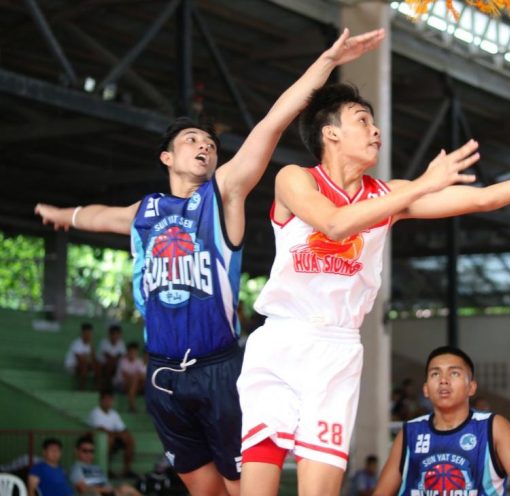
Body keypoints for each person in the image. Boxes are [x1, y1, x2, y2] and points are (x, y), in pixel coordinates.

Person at [35, 27, 384, 496]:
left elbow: (271, 124)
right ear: (166, 156)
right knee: (204, 492)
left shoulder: (222, 194)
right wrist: (63, 214)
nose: (205, 147)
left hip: (218, 369)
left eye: (210, 144)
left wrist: (326, 62)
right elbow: (100, 216)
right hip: (162, 374)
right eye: (193, 141)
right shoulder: (147, 212)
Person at [236, 82, 510, 496]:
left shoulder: (388, 195)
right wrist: (423, 183)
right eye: (363, 121)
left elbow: (484, 199)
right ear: (330, 133)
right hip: (283, 339)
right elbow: (333, 223)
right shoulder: (295, 179)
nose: (375, 131)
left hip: (338, 350)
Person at [373, 346, 510, 495]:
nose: (444, 380)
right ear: (426, 389)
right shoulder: (410, 432)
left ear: (471, 387)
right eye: (435, 374)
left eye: (454, 373)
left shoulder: (493, 427)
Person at [70, 435, 141, 496]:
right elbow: (83, 489)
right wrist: (104, 490)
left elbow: (108, 486)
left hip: (107, 494)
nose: (88, 454)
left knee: (126, 488)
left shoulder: (96, 468)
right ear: (77, 451)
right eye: (85, 451)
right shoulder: (77, 468)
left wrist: (114, 491)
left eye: (91, 451)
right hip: (93, 494)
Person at [87, 390, 137, 478]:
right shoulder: (95, 412)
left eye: (110, 400)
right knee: (108, 439)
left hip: (113, 437)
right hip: (96, 440)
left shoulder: (114, 414)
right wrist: (115, 434)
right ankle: (106, 469)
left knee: (129, 439)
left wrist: (120, 434)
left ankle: (127, 470)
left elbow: (123, 429)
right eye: (106, 400)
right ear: (101, 400)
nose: (108, 402)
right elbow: (101, 429)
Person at [65, 322, 100, 390]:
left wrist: (92, 351)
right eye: (86, 333)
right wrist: (90, 361)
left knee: (98, 366)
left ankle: (97, 388)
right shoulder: (77, 343)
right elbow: (80, 360)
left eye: (90, 333)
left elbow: (93, 359)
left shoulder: (89, 346)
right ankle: (81, 388)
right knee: (84, 366)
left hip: (83, 365)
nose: (88, 335)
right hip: (71, 366)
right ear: (82, 333)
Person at [113, 341, 146, 412]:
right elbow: (126, 377)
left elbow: (143, 376)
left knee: (146, 383)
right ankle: (132, 406)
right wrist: (137, 377)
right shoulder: (122, 361)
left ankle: (134, 406)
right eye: (131, 352)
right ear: (128, 352)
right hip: (121, 385)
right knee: (135, 380)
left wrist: (137, 377)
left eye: (134, 352)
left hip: (135, 385)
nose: (132, 354)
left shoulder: (139, 361)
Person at [98, 324, 127, 389]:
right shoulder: (104, 342)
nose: (115, 336)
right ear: (109, 335)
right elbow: (108, 357)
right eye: (113, 334)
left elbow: (121, 356)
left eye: (117, 334)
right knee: (110, 364)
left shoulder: (121, 343)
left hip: (115, 367)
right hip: (103, 366)